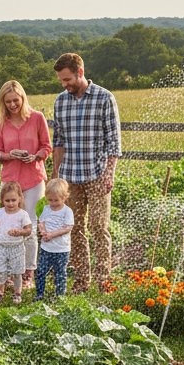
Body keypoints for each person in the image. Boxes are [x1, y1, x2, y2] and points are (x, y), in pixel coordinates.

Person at [51, 52, 121, 292]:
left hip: (97, 173)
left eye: (67, 79)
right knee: (75, 229)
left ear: (80, 72)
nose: (64, 84)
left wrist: (109, 173)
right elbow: (58, 140)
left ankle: (104, 281)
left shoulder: (104, 98)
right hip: (70, 177)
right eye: (61, 80)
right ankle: (81, 281)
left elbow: (114, 142)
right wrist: (56, 175)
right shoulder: (60, 101)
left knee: (99, 228)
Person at [0, 80, 51, 286]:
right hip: (10, 182)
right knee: (7, 224)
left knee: (30, 226)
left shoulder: (36, 118)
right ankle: (10, 272)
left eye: (15, 100)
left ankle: (28, 274)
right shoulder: (0, 123)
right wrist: (9, 155)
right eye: (8, 102)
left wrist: (35, 156)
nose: (12, 105)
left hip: (33, 179)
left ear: (23, 98)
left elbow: (47, 147)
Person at [0, 181, 33, 304]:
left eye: (13, 200)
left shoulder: (22, 214)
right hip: (1, 247)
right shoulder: (0, 212)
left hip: (16, 247)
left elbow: (29, 230)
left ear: (20, 198)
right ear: (2, 200)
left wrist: (20, 231)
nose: (10, 203)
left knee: (17, 271)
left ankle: (17, 293)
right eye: (7, 200)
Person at [36, 177, 74, 300]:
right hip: (46, 248)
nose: (52, 203)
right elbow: (41, 222)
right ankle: (39, 294)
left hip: (61, 249)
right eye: (50, 200)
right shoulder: (46, 209)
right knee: (41, 271)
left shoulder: (67, 212)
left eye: (56, 200)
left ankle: (60, 296)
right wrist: (43, 231)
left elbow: (67, 228)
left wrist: (52, 234)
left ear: (64, 197)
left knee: (60, 273)